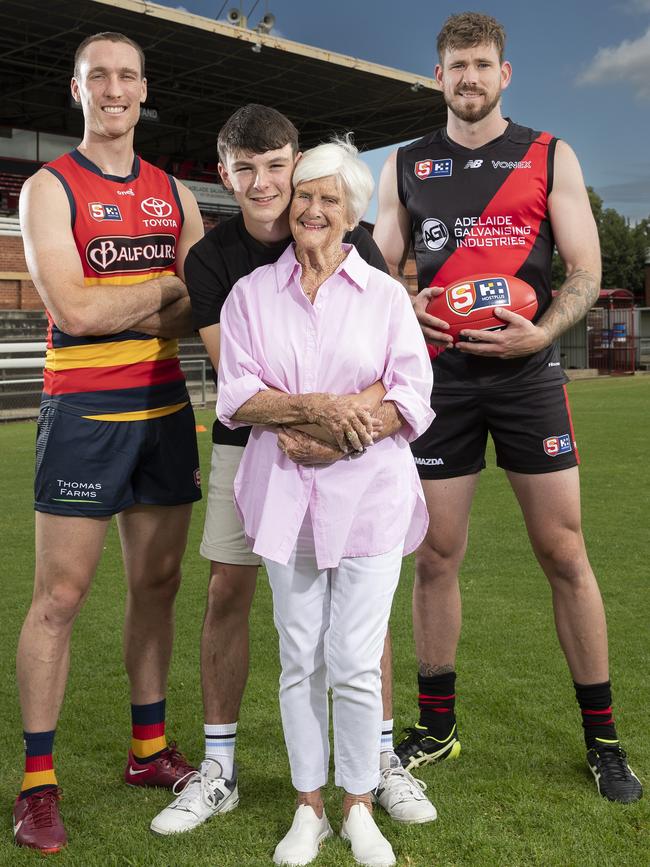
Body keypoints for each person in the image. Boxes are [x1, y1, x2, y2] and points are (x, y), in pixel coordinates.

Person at [373, 11, 642, 804]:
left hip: (528, 376)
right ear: (438, 77)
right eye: (456, 66)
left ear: (505, 74)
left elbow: (586, 271)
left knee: (564, 552)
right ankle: (438, 725)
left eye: (482, 65)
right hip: (441, 380)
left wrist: (545, 335)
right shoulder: (406, 166)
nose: (469, 78)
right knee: (435, 554)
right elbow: (376, 266)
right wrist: (402, 303)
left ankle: (604, 740)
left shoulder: (548, 154)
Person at [150, 105, 435, 837]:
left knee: (359, 620)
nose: (269, 183)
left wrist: (348, 429)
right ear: (225, 175)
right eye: (245, 167)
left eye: (280, 166)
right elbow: (237, 383)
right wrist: (314, 417)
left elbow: (396, 369)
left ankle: (373, 763)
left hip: (354, 455)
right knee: (234, 592)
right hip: (258, 453)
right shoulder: (218, 265)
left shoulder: (363, 248)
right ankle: (223, 767)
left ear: (300, 165)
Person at [14, 32, 205, 852]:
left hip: (164, 411)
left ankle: (149, 750)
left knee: (157, 587)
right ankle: (36, 784)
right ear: (77, 89)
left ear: (143, 88)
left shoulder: (175, 193)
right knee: (59, 599)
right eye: (101, 77)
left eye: (127, 76)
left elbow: (199, 310)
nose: (115, 89)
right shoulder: (48, 189)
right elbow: (76, 312)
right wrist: (164, 285)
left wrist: (130, 298)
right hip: (84, 415)